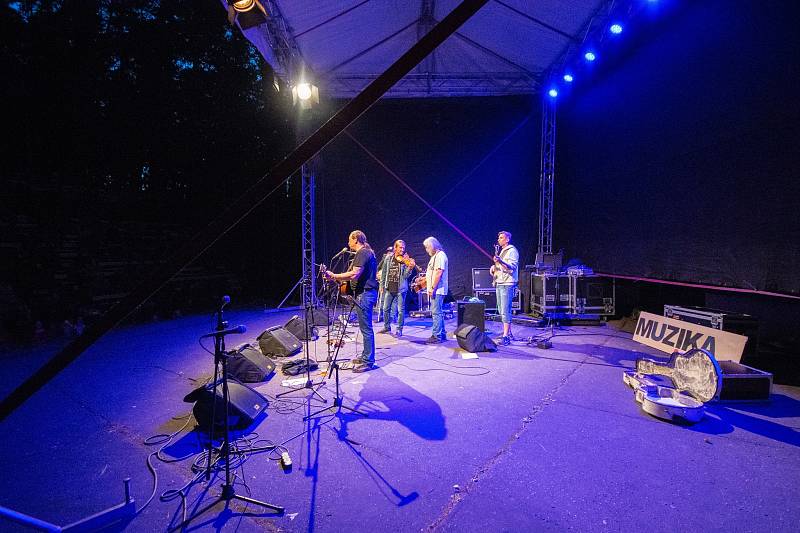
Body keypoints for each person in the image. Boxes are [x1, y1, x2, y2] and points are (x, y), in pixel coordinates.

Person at [324, 230, 379, 372]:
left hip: (365, 295)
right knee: (364, 327)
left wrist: (334, 276)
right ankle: (366, 356)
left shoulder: (362, 253)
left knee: (366, 329)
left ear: (355, 239)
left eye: (350, 239)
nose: (348, 242)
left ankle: (368, 361)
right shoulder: (366, 252)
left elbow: (355, 274)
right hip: (366, 294)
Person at [378, 240, 416, 337]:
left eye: (403, 248)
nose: (402, 250)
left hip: (400, 289)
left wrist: (410, 268)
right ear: (395, 248)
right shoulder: (388, 258)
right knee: (385, 308)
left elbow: (405, 276)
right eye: (400, 248)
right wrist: (382, 285)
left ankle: (399, 329)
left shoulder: (404, 261)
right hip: (389, 287)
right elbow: (384, 272)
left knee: (400, 310)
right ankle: (387, 327)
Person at [490, 230, 519, 345]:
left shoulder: (512, 251)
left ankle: (506, 336)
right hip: (500, 282)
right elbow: (501, 268)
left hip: (507, 283)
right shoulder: (502, 251)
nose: (499, 239)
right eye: (499, 238)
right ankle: (507, 333)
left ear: (507, 239)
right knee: (502, 310)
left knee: (505, 310)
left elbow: (512, 267)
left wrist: (500, 261)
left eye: (501, 238)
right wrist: (494, 267)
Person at [423, 236, 448, 344]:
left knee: (436, 312)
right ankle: (441, 334)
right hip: (435, 289)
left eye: (427, 247)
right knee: (438, 312)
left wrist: (432, 288)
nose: (426, 250)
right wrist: (424, 279)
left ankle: (436, 336)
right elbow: (432, 272)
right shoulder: (435, 256)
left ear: (432, 246)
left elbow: (438, 272)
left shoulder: (440, 255)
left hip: (438, 289)